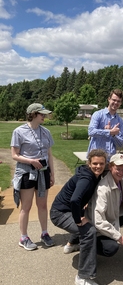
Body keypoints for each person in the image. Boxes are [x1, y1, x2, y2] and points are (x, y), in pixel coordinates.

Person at [50, 149, 106, 285]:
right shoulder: (86, 178)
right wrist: (78, 220)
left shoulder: (95, 173)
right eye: (95, 163)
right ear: (89, 163)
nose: (98, 166)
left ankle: (72, 244)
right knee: (89, 231)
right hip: (60, 213)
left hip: (67, 210)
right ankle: (83, 277)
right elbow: (75, 200)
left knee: (87, 217)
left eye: (101, 164)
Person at [11, 103, 55, 251]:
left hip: (43, 172)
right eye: (41, 113)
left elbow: (49, 155)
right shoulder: (19, 131)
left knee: (42, 205)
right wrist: (31, 161)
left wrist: (52, 174)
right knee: (26, 206)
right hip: (26, 173)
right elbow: (14, 155)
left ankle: (44, 233)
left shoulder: (46, 132)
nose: (44, 115)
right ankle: (23, 237)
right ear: (33, 114)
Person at [85, 153, 123, 260]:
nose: (121, 172)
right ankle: (87, 244)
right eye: (118, 168)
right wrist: (119, 237)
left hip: (115, 217)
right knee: (111, 248)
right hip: (99, 227)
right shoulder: (103, 189)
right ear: (111, 167)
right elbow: (98, 221)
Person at [87, 89, 123, 161]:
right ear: (109, 99)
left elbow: (121, 143)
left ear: (121, 103)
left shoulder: (120, 121)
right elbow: (91, 131)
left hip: (110, 160)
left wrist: (114, 135)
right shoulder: (98, 114)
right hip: (95, 159)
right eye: (114, 100)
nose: (116, 103)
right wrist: (109, 132)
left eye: (118, 101)